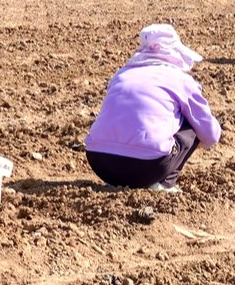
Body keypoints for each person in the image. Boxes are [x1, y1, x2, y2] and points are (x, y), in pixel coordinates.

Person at [85, 24, 221, 192]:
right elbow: (210, 134)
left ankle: (120, 180)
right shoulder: (180, 79)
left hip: (100, 162)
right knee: (192, 122)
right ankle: (165, 183)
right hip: (147, 166)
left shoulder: (121, 75)